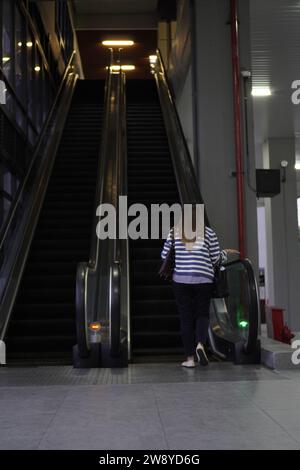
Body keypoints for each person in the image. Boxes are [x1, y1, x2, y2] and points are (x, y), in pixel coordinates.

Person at [161, 207, 239, 368]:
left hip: (181, 279)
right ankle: (200, 345)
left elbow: (164, 256)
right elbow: (216, 259)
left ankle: (190, 359)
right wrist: (225, 253)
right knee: (202, 314)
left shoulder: (174, 232)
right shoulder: (208, 232)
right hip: (204, 279)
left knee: (186, 317)